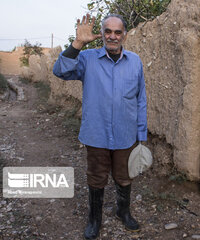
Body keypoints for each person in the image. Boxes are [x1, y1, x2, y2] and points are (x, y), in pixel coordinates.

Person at [53, 13, 147, 239]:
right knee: (96, 177)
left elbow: (140, 98)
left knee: (124, 176)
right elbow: (60, 71)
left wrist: (141, 133)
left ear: (124, 34)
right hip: (97, 133)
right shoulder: (86, 58)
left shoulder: (135, 61)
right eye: (108, 31)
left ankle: (123, 211)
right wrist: (77, 44)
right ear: (102, 34)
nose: (112, 36)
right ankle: (94, 220)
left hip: (126, 134)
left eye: (117, 32)